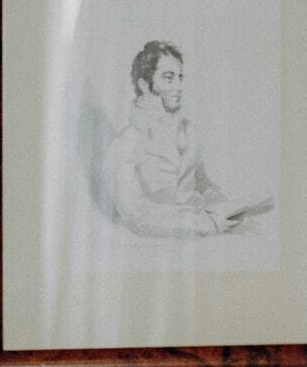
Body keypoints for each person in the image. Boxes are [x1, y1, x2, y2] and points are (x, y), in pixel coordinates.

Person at [103, 42, 242, 239]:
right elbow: (137, 215)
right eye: (169, 78)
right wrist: (204, 223)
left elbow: (204, 187)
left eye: (180, 78)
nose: (179, 86)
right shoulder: (124, 145)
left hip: (207, 235)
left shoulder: (188, 132)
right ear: (144, 85)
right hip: (157, 246)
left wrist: (230, 210)